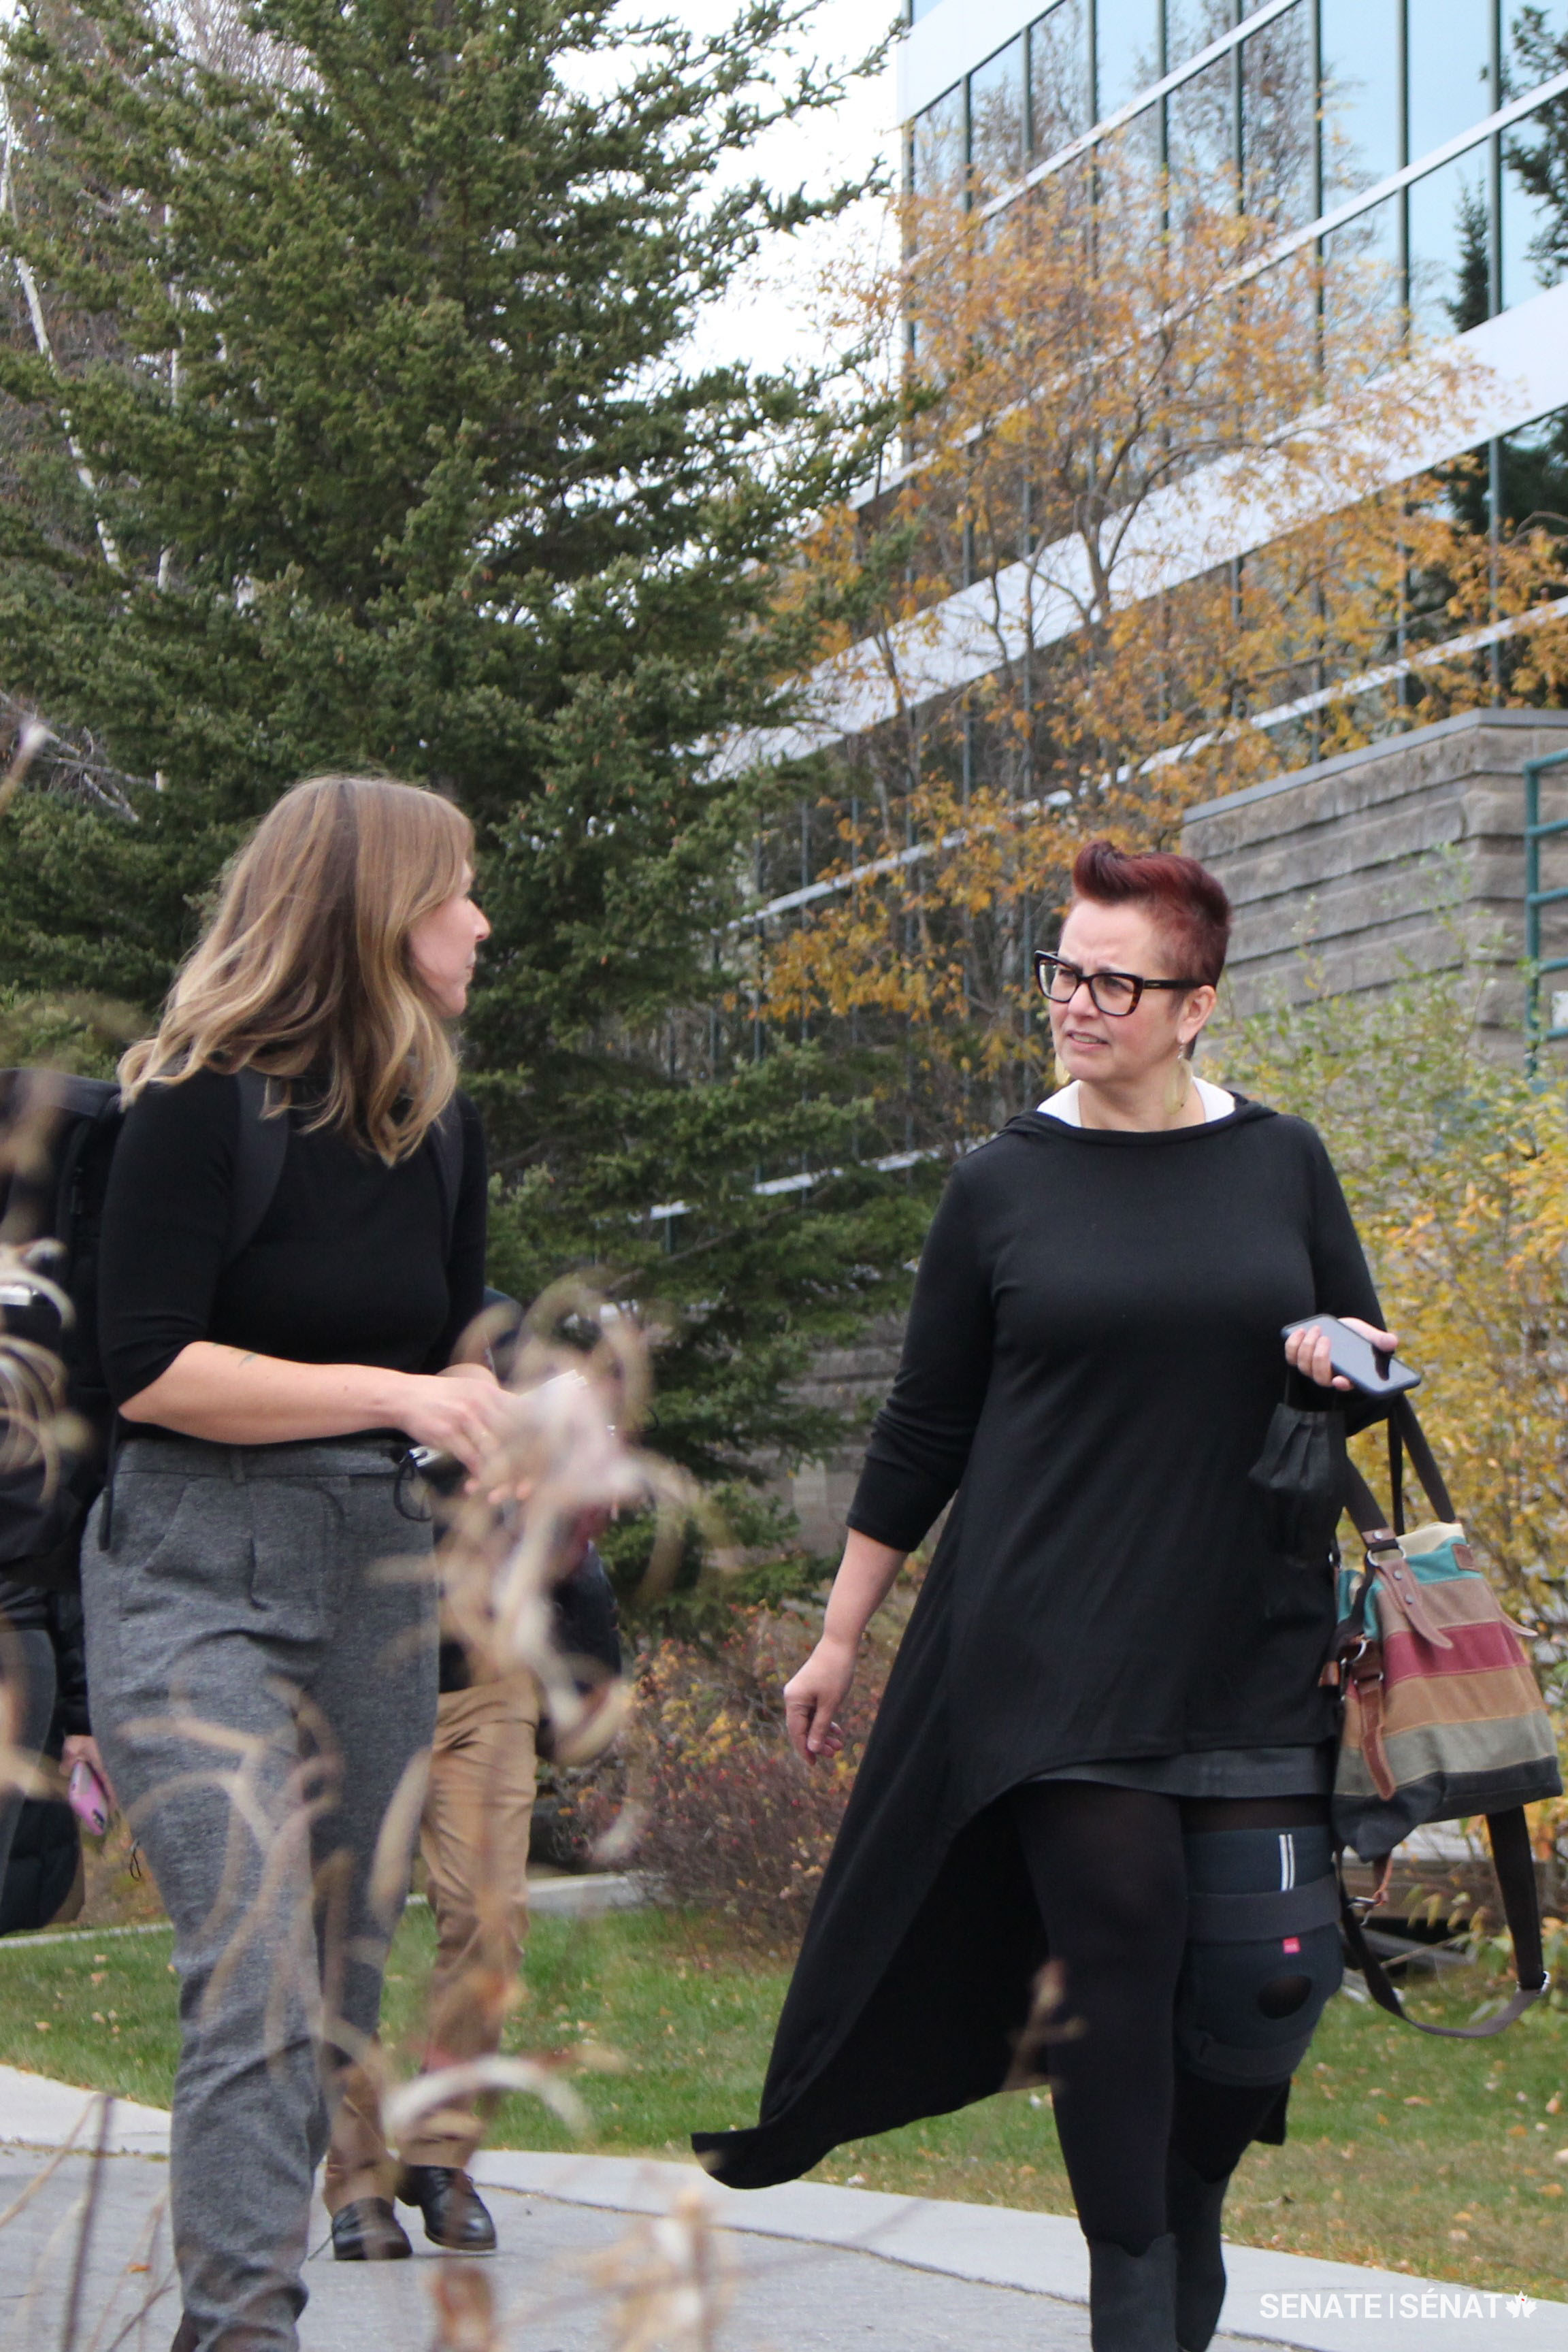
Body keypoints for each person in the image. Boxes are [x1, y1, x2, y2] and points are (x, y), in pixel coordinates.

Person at [693, 840, 1394, 2352]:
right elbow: (925, 1422)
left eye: (1113, 980)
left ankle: (1182, 2202)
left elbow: (1365, 1356)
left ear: (1196, 1005)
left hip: (1250, 1635)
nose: (1076, 1003)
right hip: (1051, 1643)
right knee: (1123, 1943)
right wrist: (836, 1632)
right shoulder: (1002, 1182)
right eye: (1064, 971)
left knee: (1261, 1986)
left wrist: (1343, 1368)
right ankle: (1133, 2290)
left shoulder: (1284, 1158)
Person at [80, 774, 518, 2352]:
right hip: (194, 1579)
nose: (480, 922)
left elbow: (452, 1355)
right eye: (457, 891)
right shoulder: (198, 1102)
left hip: (377, 1590)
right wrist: (401, 1395)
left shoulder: (439, 1124)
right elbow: (144, 1369)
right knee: (256, 1976)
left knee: (328, 1986)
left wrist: (514, 1422)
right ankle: (243, 2330)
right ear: (378, 916)